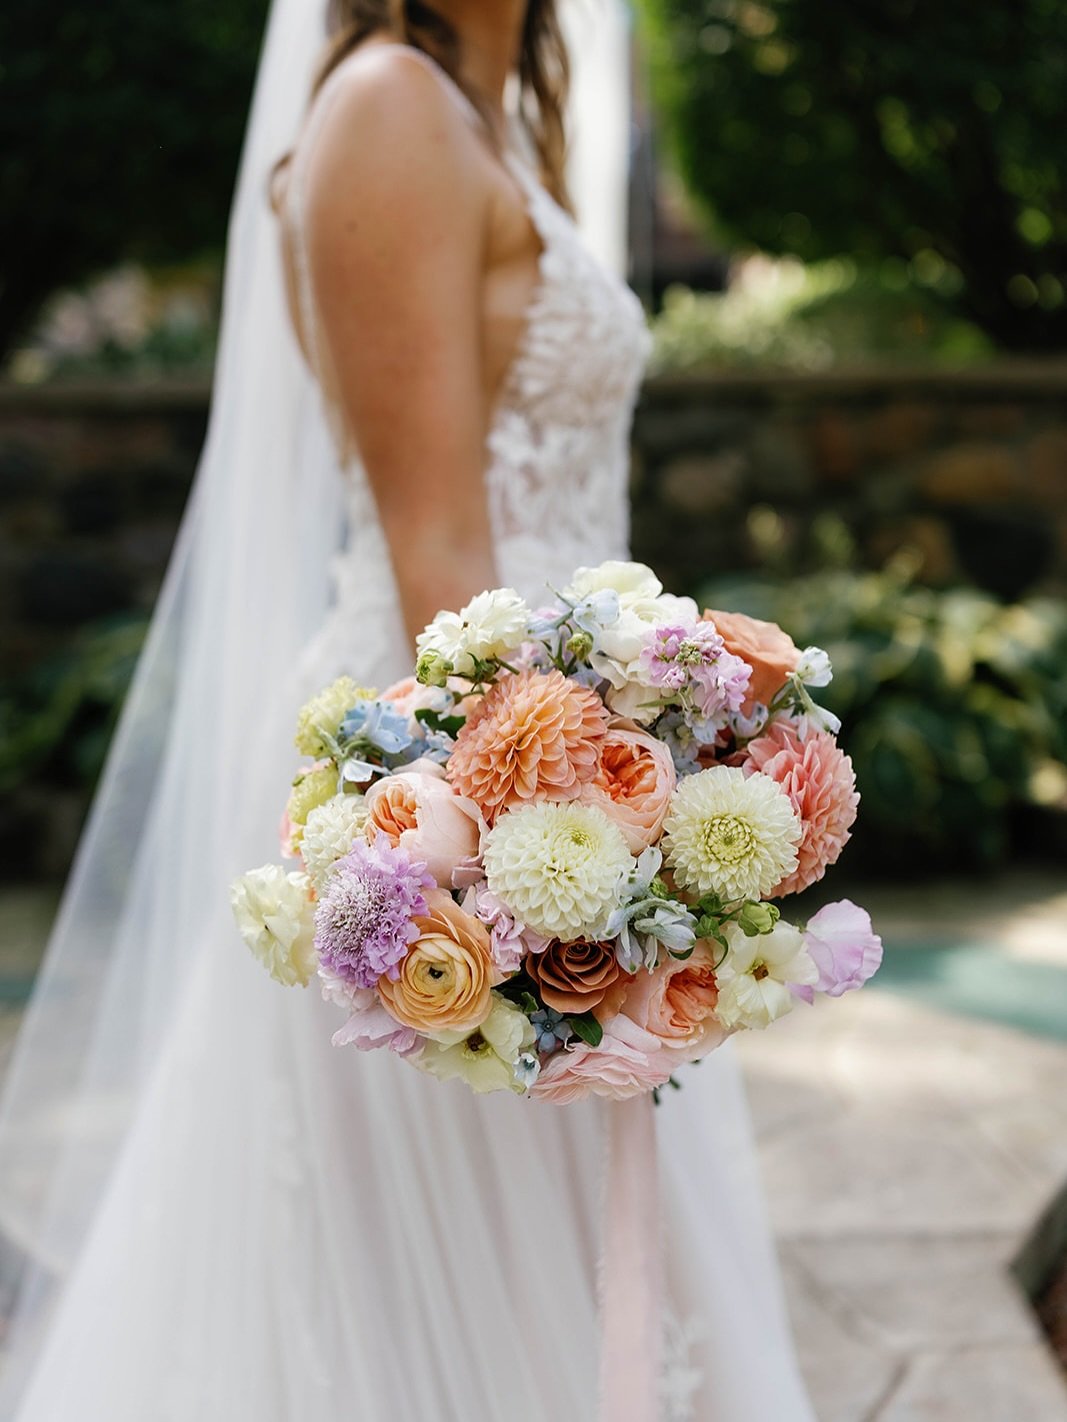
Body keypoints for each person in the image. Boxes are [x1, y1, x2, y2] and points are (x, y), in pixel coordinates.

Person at [0, 3, 819, 1418]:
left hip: (574, 760)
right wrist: (570, 850)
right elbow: (438, 551)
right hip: (466, 796)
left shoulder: (482, 105)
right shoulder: (388, 106)